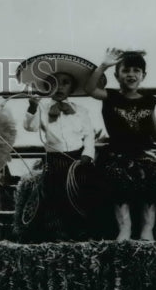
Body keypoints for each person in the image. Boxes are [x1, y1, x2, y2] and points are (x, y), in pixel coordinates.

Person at [84, 49, 156, 241]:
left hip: (144, 151)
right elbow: (90, 89)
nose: (131, 74)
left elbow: (154, 127)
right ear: (117, 75)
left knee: (155, 175)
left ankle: (147, 229)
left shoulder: (148, 101)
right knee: (117, 177)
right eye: (126, 70)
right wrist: (104, 65)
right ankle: (125, 228)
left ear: (143, 75)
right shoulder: (110, 97)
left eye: (136, 70)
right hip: (118, 152)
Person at [19, 54, 99, 240]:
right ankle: (57, 234)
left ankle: (81, 232)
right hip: (55, 160)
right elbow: (30, 127)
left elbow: (89, 135)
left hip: (78, 160)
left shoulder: (81, 111)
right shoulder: (43, 108)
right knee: (54, 195)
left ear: (71, 87)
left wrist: (87, 155)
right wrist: (32, 108)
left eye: (65, 83)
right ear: (47, 87)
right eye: (54, 83)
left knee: (79, 193)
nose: (60, 87)